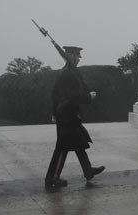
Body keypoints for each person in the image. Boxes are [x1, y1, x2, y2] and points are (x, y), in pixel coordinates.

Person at [45, 46, 105, 188]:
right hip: (66, 115)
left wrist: (54, 112)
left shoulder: (71, 72)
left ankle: (88, 171)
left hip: (69, 114)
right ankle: (52, 178)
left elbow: (56, 94)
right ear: (71, 56)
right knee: (62, 148)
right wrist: (88, 97)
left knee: (78, 142)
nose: (78, 60)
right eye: (77, 57)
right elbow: (70, 97)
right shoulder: (66, 73)